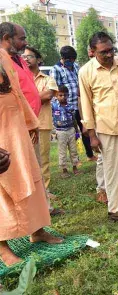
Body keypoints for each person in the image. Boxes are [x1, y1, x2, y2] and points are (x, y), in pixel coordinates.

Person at [0, 48, 63, 267]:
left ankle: (37, 230)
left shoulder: (3, 56)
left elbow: (16, 90)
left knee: (31, 177)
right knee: (3, 188)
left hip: (17, 126)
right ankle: (2, 248)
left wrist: (30, 121)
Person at [79, 31, 118, 221]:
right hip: (107, 129)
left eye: (111, 50)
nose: (108, 55)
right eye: (103, 52)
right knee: (115, 170)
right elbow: (86, 105)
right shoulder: (85, 72)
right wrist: (91, 135)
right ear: (92, 52)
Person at [0, 22, 61, 215]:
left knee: (34, 173)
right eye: (21, 38)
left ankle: (38, 224)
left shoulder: (16, 60)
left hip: (27, 124)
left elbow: (20, 94)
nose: (25, 43)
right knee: (16, 178)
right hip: (9, 130)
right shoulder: (4, 60)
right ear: (7, 39)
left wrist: (31, 122)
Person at [22, 46, 58, 199]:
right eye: (23, 56)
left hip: (42, 124)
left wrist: (27, 98)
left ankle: (45, 192)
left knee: (43, 160)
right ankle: (30, 193)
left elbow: (48, 95)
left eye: (29, 56)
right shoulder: (20, 78)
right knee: (25, 160)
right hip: (23, 125)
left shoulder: (47, 78)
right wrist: (36, 96)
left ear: (38, 59)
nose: (26, 59)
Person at [51, 45, 96, 162]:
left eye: (73, 59)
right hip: (67, 108)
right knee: (72, 134)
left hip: (80, 105)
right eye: (69, 60)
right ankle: (75, 159)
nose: (72, 62)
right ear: (63, 58)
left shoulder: (76, 66)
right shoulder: (55, 70)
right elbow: (56, 90)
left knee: (86, 129)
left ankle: (90, 155)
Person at [86, 45, 107, 204]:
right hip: (99, 123)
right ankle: (102, 189)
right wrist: (88, 129)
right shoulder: (86, 71)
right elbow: (84, 103)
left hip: (117, 122)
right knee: (101, 158)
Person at [52, 86, 80, 178]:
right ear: (56, 95)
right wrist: (53, 131)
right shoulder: (54, 106)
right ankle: (64, 170)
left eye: (65, 95)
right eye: (60, 95)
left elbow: (74, 119)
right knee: (62, 151)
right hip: (60, 131)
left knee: (73, 150)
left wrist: (76, 131)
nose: (63, 97)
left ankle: (75, 167)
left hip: (71, 130)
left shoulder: (70, 106)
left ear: (68, 95)